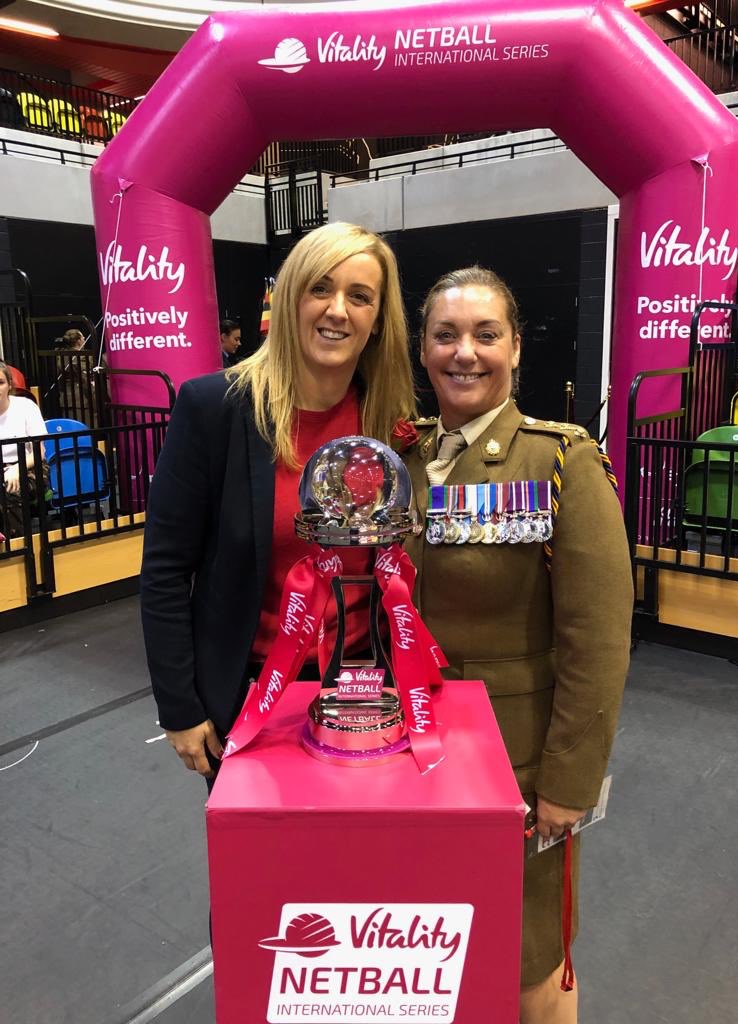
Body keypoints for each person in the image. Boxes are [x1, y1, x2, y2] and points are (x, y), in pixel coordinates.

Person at [403, 266, 633, 1024]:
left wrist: (570, 783)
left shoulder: (562, 461)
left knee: (530, 958)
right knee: (432, 944)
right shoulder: (395, 464)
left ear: (515, 350)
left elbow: (597, 644)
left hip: (517, 767)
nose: (464, 352)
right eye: (446, 335)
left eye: (485, 334)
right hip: (407, 761)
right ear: (422, 348)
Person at [141, 222, 414, 783]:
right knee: (269, 867)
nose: (338, 310)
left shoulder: (392, 422)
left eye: (360, 296)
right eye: (320, 288)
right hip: (249, 695)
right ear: (290, 298)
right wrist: (180, 707)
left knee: (366, 862)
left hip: (368, 690)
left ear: (379, 319)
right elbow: (166, 570)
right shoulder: (214, 408)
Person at [0, 361, 48, 538]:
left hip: (30, 466)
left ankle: (18, 548)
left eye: (1, 382)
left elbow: (39, 451)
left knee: (10, 489)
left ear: (9, 385)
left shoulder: (26, 407)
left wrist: (15, 468)